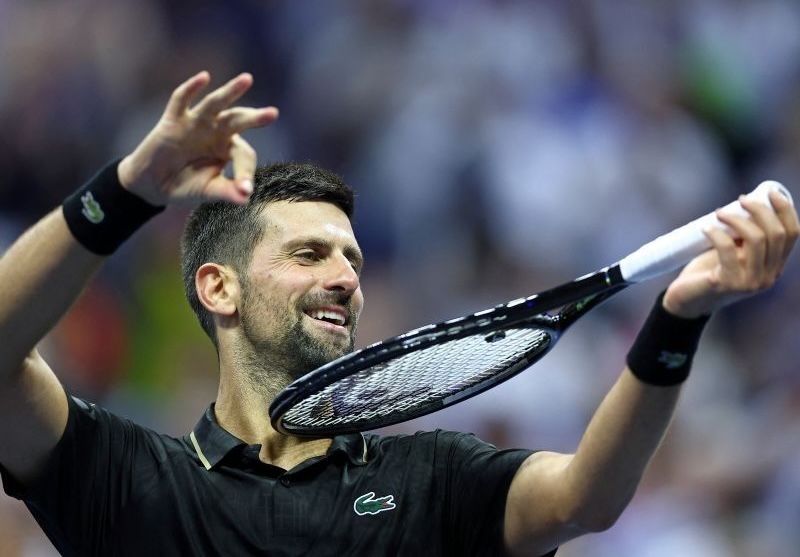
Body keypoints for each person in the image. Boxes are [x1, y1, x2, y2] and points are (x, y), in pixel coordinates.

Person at [0, 71, 796, 557]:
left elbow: (586, 497)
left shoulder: (432, 480)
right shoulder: (134, 480)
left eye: (353, 259)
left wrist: (679, 316)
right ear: (219, 288)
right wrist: (129, 190)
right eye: (309, 254)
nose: (346, 276)